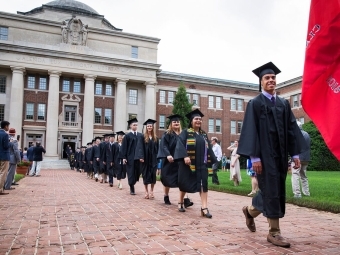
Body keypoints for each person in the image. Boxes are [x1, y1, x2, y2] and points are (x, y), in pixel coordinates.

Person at [238, 62, 307, 248]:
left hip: (280, 156)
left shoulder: (283, 104)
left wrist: (295, 154)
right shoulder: (255, 104)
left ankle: (250, 211)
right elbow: (250, 131)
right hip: (262, 157)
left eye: (273, 78)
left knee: (273, 190)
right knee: (272, 191)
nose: (271, 80)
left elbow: (292, 130)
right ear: (261, 82)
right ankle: (274, 233)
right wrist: (254, 158)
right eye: (267, 78)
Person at [174, 109, 217, 217]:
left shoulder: (203, 134)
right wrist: (184, 156)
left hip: (202, 164)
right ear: (191, 121)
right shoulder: (186, 132)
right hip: (189, 163)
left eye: (200, 119)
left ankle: (204, 208)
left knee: (204, 185)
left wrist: (213, 160)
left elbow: (209, 148)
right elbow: (180, 144)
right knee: (185, 183)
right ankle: (180, 201)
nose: (198, 121)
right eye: (196, 119)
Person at [135, 119, 159, 199]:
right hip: (145, 160)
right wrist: (141, 157)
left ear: (153, 127)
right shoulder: (142, 137)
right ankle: (146, 191)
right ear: (146, 127)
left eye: (151, 126)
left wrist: (158, 159)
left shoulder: (156, 138)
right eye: (148, 126)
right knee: (145, 175)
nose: (149, 127)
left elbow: (158, 149)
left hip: (153, 160)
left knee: (153, 175)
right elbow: (140, 148)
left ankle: (152, 191)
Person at [121, 118, 143, 195]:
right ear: (130, 126)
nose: (135, 126)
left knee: (138, 171)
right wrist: (124, 157)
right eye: (134, 125)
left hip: (138, 157)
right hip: (130, 157)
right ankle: (131, 187)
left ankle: (134, 181)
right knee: (130, 172)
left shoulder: (141, 135)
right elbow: (124, 147)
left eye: (136, 125)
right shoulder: (127, 136)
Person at [291, 121, 311, 198]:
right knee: (304, 176)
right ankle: (307, 193)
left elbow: (294, 147)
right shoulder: (307, 134)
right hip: (306, 158)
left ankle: (297, 194)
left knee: (295, 174)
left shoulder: (295, 135)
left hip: (298, 158)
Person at [0, 121, 10, 195]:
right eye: (8, 126)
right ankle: (0, 190)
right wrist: (10, 142)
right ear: (5, 126)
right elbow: (6, 146)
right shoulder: (5, 135)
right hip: (4, 156)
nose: (8, 128)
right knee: (3, 173)